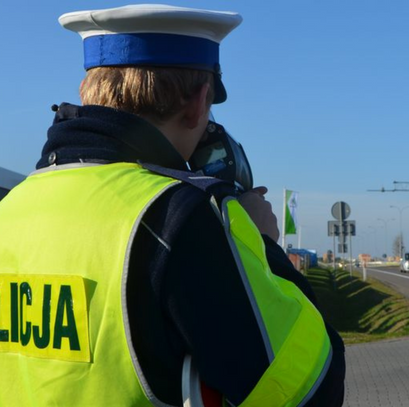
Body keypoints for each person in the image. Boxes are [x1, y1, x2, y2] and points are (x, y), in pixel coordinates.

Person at [0, 5, 345, 407]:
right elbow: (306, 388)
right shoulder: (177, 216)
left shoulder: (13, 207)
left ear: (87, 90)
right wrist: (263, 247)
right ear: (199, 102)